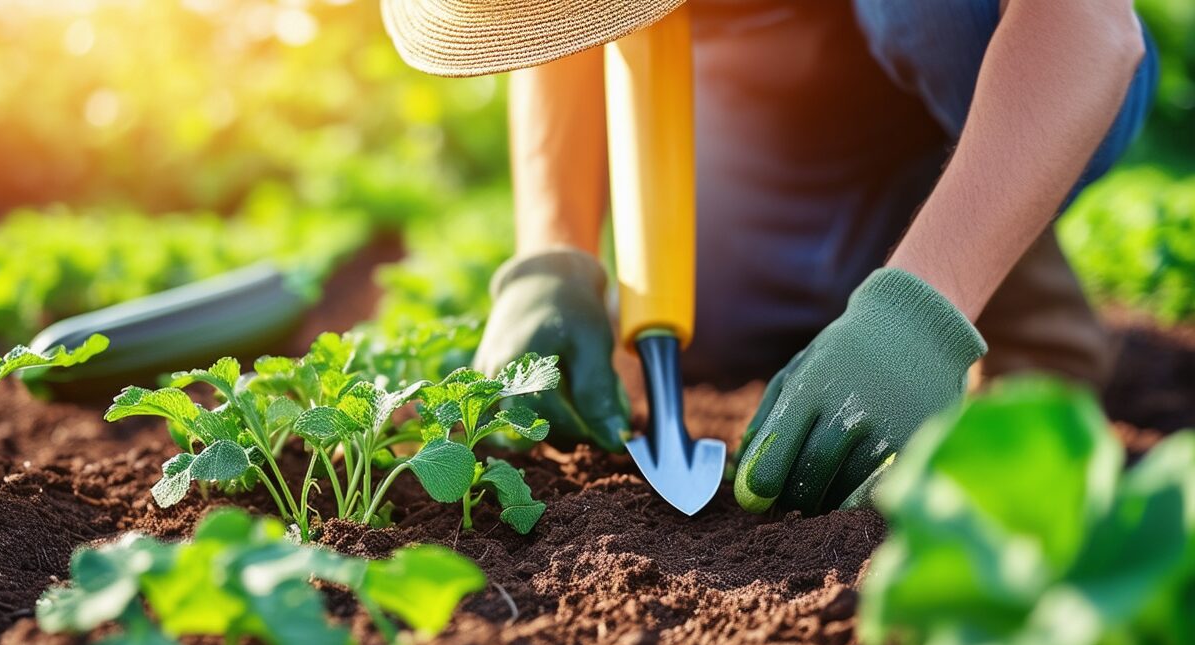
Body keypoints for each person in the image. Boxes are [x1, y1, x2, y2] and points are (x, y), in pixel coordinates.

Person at [380, 0, 1157, 514]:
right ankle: (883, 243)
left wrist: (925, 310)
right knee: (720, 320)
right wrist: (551, 252)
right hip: (772, 64)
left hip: (1016, 37)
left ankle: (998, 265)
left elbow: (1089, 27)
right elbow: (554, 18)